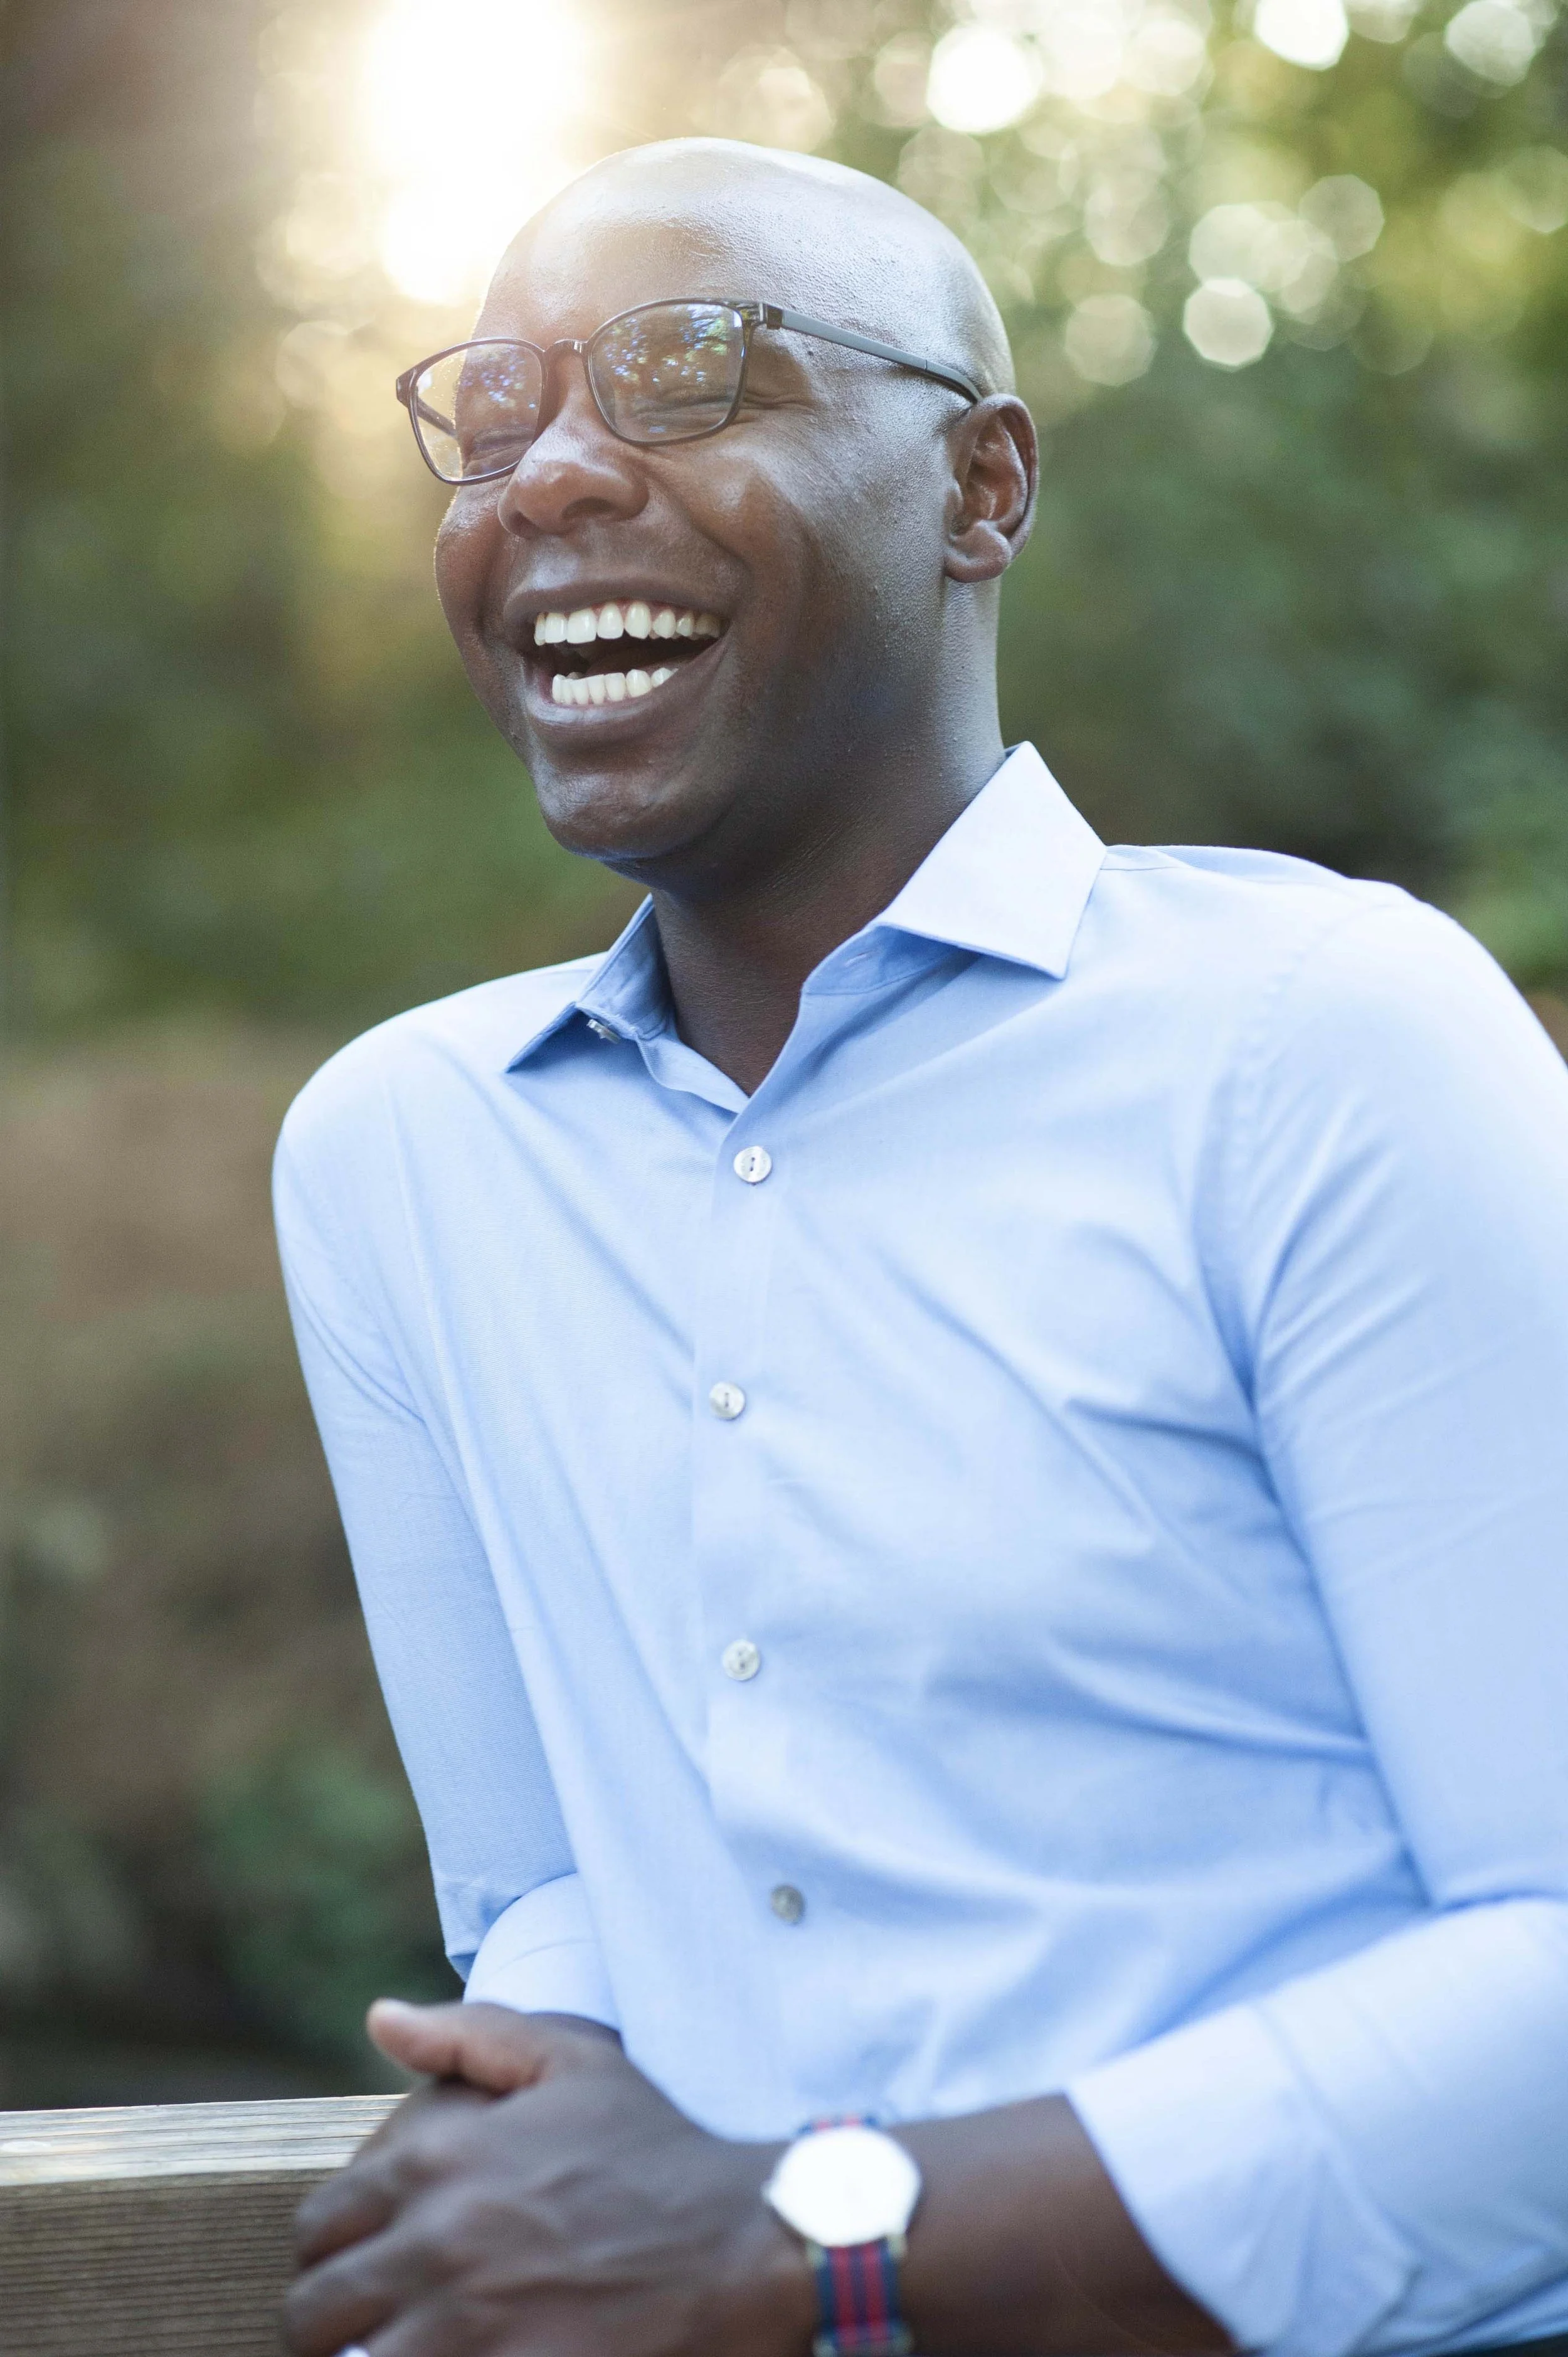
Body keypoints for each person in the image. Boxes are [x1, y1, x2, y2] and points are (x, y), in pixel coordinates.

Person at [273, 137, 1568, 2357]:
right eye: (496, 411)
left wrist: (804, 2240)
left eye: (689, 378)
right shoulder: (402, 1154)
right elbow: (558, 1892)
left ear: (978, 487)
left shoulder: (1322, 1039)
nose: (555, 472)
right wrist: (553, 2129)